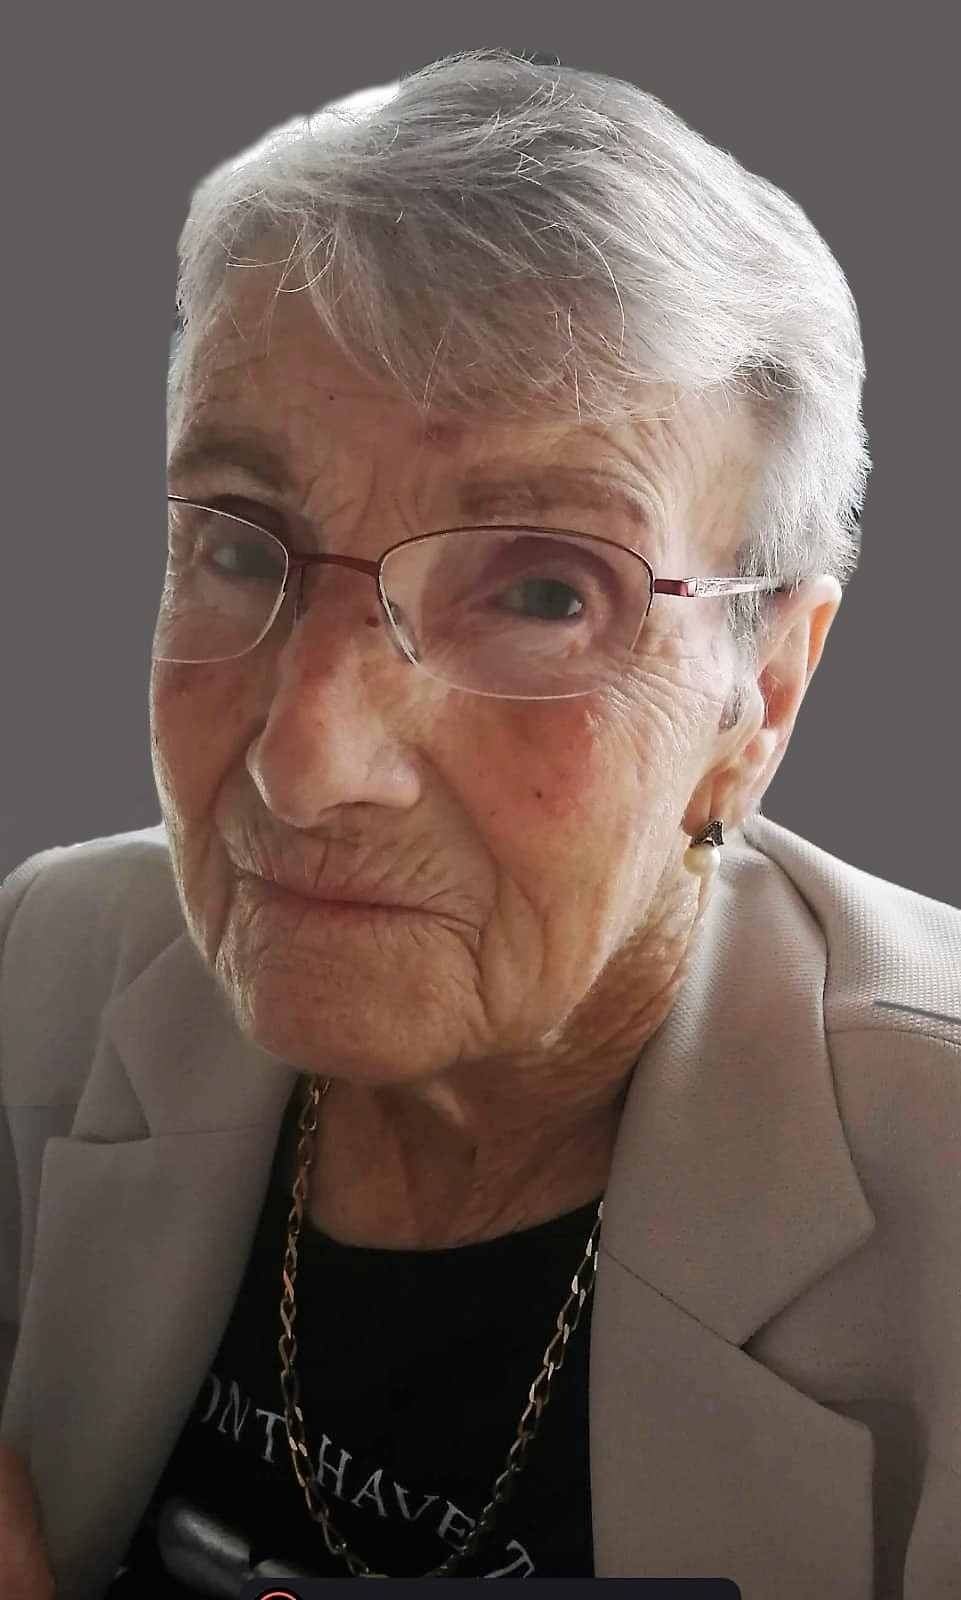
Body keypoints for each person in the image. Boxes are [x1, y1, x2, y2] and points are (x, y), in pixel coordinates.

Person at [1, 47, 959, 1600]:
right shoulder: (49, 960)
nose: (306, 763)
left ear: (761, 694)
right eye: (237, 549)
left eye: (542, 593)